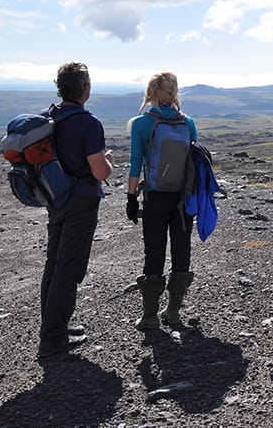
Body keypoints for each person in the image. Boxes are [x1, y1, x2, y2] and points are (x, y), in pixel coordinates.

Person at [38, 62, 113, 359]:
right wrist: (108, 160)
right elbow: (98, 172)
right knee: (69, 268)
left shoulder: (49, 118)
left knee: (54, 263)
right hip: (81, 200)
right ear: (85, 89)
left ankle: (54, 326)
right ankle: (52, 339)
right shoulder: (88, 123)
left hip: (55, 197)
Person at [126, 72, 198, 330]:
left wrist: (131, 197)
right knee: (182, 251)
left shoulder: (140, 123)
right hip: (182, 200)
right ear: (174, 92)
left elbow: (136, 164)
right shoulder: (188, 122)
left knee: (154, 252)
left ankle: (149, 317)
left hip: (155, 198)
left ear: (152, 92)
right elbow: (193, 163)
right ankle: (174, 312)